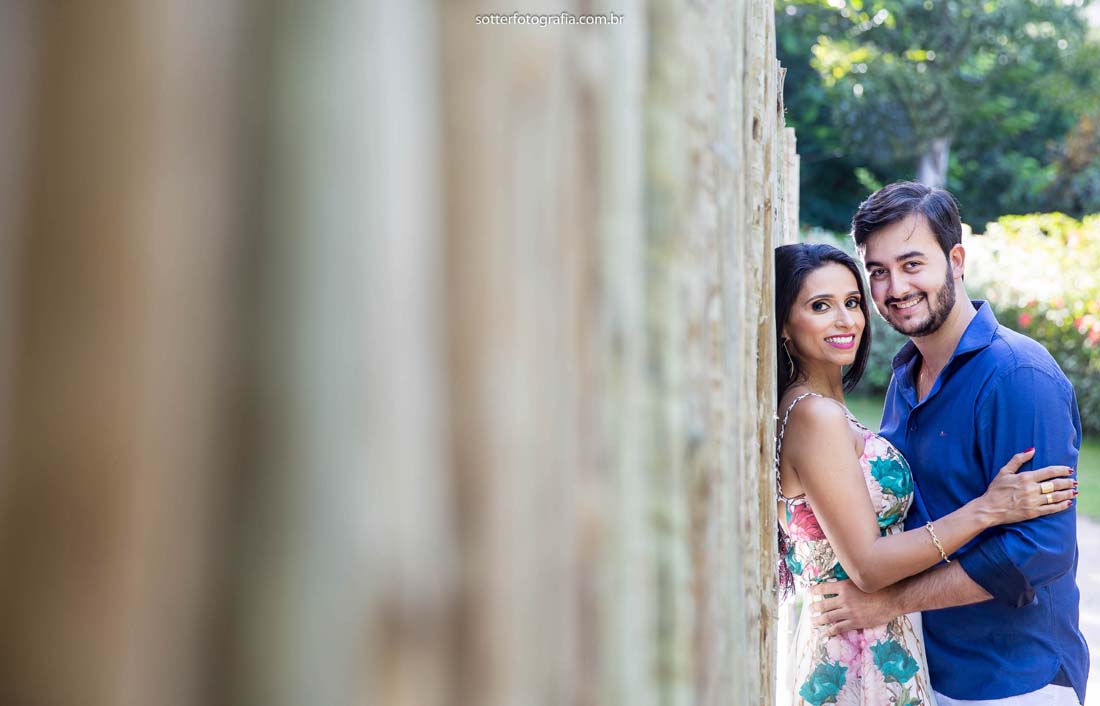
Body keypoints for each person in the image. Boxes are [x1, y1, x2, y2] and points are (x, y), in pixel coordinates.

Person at [809, 181, 1090, 705]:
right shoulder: (905, 376)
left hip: (1011, 681)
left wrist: (887, 601)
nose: (895, 287)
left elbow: (1038, 552)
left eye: (912, 264)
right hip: (924, 673)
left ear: (955, 259)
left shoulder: (1017, 376)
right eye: (878, 271)